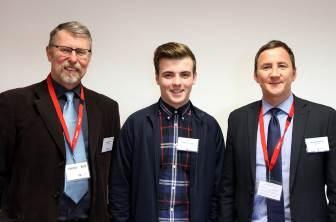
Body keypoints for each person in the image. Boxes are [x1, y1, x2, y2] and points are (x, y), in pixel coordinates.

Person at [0, 21, 120, 222]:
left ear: (89, 57)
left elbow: (113, 174)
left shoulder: (107, 108)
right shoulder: (13, 104)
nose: (73, 59)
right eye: (65, 50)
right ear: (49, 53)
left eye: (81, 52)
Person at [219, 40, 336, 221]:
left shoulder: (324, 118)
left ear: (294, 73)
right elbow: (228, 187)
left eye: (282, 66)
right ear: (256, 76)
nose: (274, 74)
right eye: (266, 67)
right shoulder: (238, 119)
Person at [109, 42, 225, 221]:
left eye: (184, 75)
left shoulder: (209, 128)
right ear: (157, 78)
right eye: (168, 75)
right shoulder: (136, 125)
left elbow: (219, 188)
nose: (177, 83)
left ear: (194, 77)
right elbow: (119, 186)